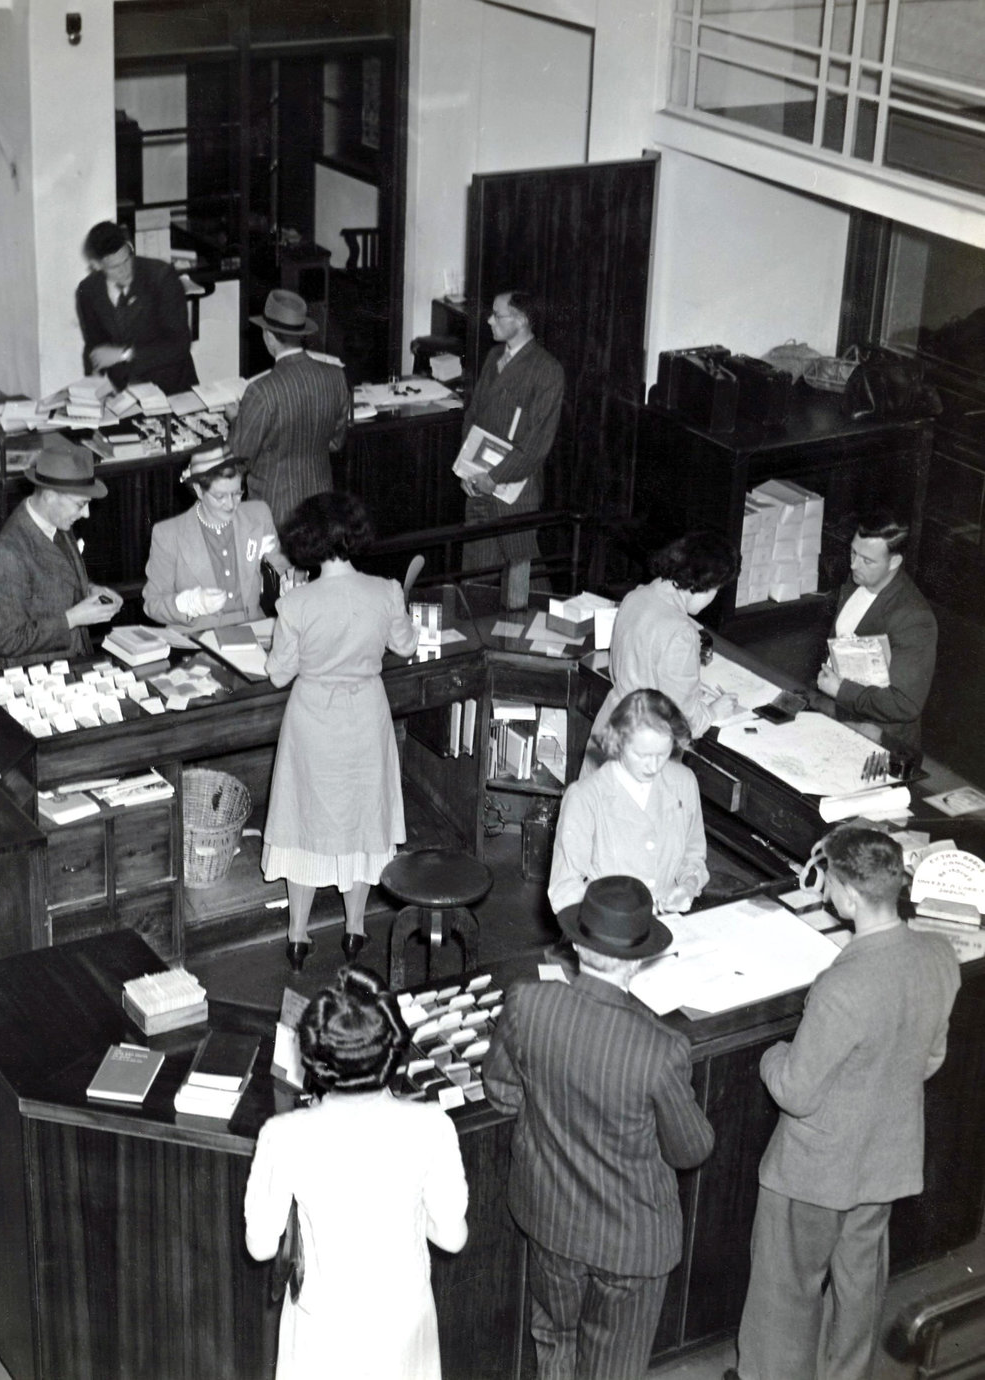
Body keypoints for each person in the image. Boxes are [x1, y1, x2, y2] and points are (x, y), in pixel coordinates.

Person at [728, 826, 960, 1380]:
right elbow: (930, 1060)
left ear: (848, 895)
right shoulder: (938, 955)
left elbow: (795, 1091)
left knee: (786, 1293)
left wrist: (773, 1054)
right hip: (886, 1160)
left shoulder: (842, 986)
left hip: (814, 1171)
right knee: (859, 1287)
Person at [482, 874, 715, 1380]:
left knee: (555, 1342)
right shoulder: (660, 1049)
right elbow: (691, 1149)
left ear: (577, 941)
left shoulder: (528, 1003)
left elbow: (500, 1090)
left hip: (550, 1220)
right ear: (637, 959)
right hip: (630, 1243)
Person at [244, 965, 468, 1380]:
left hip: (321, 1330)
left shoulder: (283, 1135)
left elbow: (260, 1247)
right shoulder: (433, 1125)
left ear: (315, 1057)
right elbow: (452, 1238)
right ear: (393, 1050)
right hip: (403, 1326)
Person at [261, 492, 419, 969]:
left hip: (313, 722)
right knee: (362, 821)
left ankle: (298, 935)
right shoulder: (386, 590)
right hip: (366, 718)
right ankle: (354, 929)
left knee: (302, 822)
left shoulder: (297, 604)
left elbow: (277, 674)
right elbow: (407, 647)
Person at [583, 529, 741, 772]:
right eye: (716, 590)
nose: (714, 597)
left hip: (610, 727)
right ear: (701, 585)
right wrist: (712, 712)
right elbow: (687, 722)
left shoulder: (635, 597)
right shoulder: (682, 633)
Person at [549, 688, 708, 916]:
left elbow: (693, 855)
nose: (653, 767)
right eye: (642, 756)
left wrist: (688, 886)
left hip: (668, 925)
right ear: (618, 742)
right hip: (606, 930)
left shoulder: (683, 782)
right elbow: (564, 889)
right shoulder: (585, 797)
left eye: (662, 754)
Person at [459, 290, 564, 597]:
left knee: (525, 583)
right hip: (477, 486)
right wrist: (467, 470)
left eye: (497, 314)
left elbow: (537, 444)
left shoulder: (547, 370)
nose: (490, 320)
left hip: (514, 493)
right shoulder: (494, 358)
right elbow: (473, 415)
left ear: (521, 320)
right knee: (475, 580)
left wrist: (494, 477)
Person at [0, 439, 122, 668]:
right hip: (36, 679)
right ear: (49, 495)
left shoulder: (55, 521)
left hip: (73, 662)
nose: (87, 514)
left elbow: (55, 581)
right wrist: (73, 619)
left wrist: (91, 590)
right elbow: (6, 640)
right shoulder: (8, 554)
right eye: (81, 504)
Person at [227, 288, 350, 527]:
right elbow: (335, 442)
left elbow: (238, 460)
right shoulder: (335, 377)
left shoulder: (261, 391)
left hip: (274, 511)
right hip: (322, 507)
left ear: (269, 337)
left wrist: (236, 419)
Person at [817, 512, 936, 753]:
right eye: (853, 552)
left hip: (881, 742)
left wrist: (841, 690)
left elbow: (905, 703)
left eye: (867, 561)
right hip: (840, 718)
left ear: (894, 562)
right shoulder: (855, 582)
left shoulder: (914, 618)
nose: (853, 565)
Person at [142, 440, 289, 631]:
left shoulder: (258, 515)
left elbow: (284, 571)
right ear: (198, 490)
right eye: (220, 496)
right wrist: (188, 604)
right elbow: (152, 604)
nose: (231, 504)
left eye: (237, 493)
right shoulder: (168, 534)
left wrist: (287, 581)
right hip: (197, 638)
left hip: (255, 630)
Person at [75, 220, 197, 395]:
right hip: (123, 392)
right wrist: (95, 384)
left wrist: (124, 354)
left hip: (171, 389)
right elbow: (95, 346)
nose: (125, 270)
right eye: (115, 267)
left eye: (127, 259)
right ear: (97, 265)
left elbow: (179, 345)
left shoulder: (161, 277)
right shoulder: (88, 290)